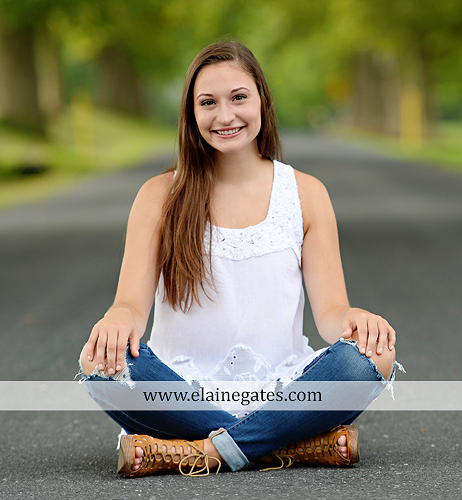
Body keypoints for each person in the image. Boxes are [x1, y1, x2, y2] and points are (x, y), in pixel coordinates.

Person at [78, 40, 402, 477]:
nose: (225, 116)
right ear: (191, 114)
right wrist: (116, 319)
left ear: (262, 102)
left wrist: (356, 317)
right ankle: (283, 445)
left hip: (282, 393)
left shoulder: (305, 194)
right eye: (208, 102)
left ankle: (201, 453)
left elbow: (332, 313)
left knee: (375, 356)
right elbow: (130, 307)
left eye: (239, 98)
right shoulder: (160, 196)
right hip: (180, 394)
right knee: (97, 361)